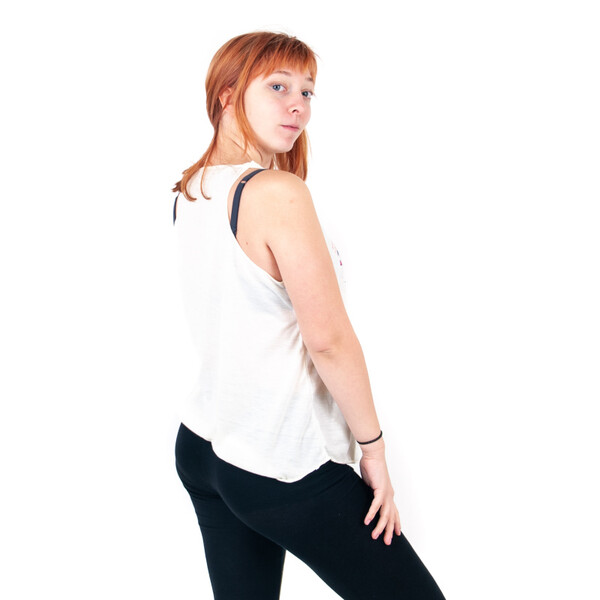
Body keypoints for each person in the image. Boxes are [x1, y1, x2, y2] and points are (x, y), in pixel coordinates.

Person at [171, 31, 446, 600]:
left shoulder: (192, 188)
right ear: (227, 94)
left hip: (205, 447)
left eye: (307, 91)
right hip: (280, 463)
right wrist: (374, 450)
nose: (298, 104)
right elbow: (328, 341)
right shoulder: (275, 192)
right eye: (278, 87)